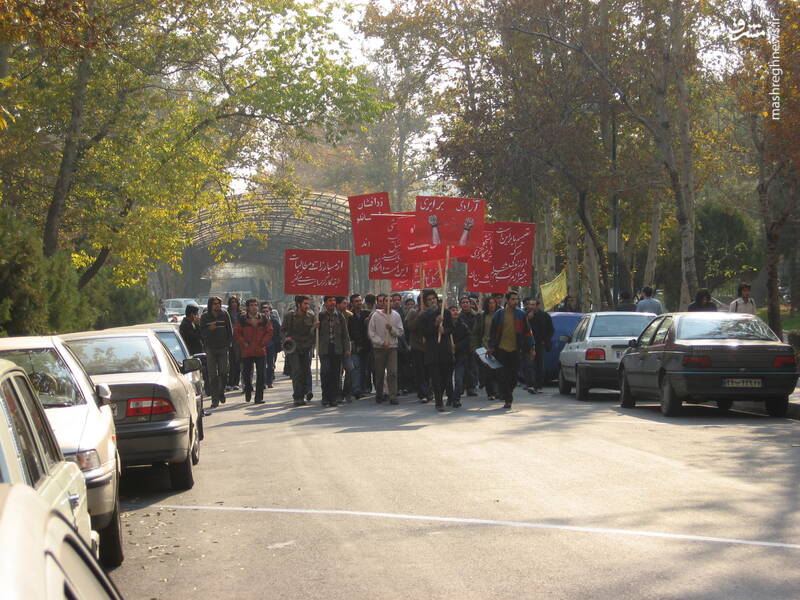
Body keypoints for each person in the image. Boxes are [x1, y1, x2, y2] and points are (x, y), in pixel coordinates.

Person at [487, 291, 534, 409]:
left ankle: (508, 392)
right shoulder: (499, 314)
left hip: (516, 349)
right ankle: (508, 399)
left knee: (513, 376)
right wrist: (491, 347)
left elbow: (528, 332)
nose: (515, 302)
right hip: (501, 349)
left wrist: (532, 347)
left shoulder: (521, 314)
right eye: (513, 299)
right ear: (507, 300)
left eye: (516, 299)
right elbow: (492, 333)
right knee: (503, 375)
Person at [421, 289, 454, 412]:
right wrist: (435, 324)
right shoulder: (424, 316)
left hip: (445, 350)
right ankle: (439, 402)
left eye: (433, 298)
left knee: (446, 376)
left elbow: (452, 328)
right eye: (429, 300)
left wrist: (444, 330)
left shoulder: (445, 312)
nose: (432, 301)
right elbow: (425, 332)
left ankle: (446, 395)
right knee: (436, 378)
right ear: (426, 303)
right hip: (432, 351)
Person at [367, 293, 404, 405]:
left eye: (390, 301)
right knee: (379, 373)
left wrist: (391, 329)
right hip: (379, 348)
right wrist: (381, 342)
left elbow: (400, 332)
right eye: (385, 301)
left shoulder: (396, 316)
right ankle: (379, 393)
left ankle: (393, 395)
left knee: (392, 372)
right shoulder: (376, 316)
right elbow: (371, 332)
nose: (388, 303)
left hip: (392, 347)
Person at [234, 298, 273, 404]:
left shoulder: (264, 318)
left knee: (261, 374)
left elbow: (269, 332)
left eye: (255, 305)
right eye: (251, 305)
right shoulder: (242, 319)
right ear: (247, 307)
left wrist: (263, 343)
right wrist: (244, 343)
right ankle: (248, 390)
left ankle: (258, 398)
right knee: (246, 374)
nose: (254, 307)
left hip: (260, 350)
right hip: (247, 351)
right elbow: (237, 333)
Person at [200, 296, 234, 408]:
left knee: (224, 372)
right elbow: (201, 333)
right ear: (210, 305)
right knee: (212, 376)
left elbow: (230, 331)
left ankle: (221, 391)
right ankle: (215, 400)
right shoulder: (205, 317)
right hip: (210, 349)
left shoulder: (224, 315)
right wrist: (209, 329)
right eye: (214, 304)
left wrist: (228, 343)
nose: (217, 306)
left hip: (223, 348)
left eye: (218, 303)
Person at [282, 295, 316, 406]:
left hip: (306, 346)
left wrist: (315, 328)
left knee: (306, 370)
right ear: (298, 304)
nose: (307, 306)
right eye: (305, 304)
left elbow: (313, 333)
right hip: (294, 347)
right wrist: (286, 338)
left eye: (308, 304)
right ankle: (298, 396)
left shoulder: (311, 316)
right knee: (296, 371)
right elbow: (282, 331)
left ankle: (308, 390)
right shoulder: (289, 316)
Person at [318, 295, 350, 407]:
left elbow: (345, 334)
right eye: (330, 301)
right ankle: (325, 397)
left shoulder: (340, 316)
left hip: (337, 349)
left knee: (336, 374)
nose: (332, 303)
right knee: (325, 372)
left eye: (334, 301)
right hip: (325, 349)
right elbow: (314, 333)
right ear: (325, 303)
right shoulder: (320, 316)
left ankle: (334, 397)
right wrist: (315, 326)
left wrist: (347, 348)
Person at [472, 295, 500, 402]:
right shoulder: (481, 317)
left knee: (498, 370)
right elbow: (475, 333)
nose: (491, 305)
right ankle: (490, 393)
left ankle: (498, 391)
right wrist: (475, 348)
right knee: (488, 371)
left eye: (493, 303)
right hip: (485, 346)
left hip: (498, 346)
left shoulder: (500, 315)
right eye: (489, 303)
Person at [405, 294, 432, 403]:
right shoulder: (413, 312)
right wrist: (419, 316)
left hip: (430, 346)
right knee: (419, 371)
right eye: (426, 300)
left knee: (429, 371)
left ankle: (430, 391)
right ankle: (423, 393)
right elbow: (410, 327)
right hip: (417, 347)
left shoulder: (432, 312)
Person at [453, 296, 478, 404]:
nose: (465, 304)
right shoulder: (459, 317)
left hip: (473, 344)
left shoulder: (476, 315)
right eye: (463, 302)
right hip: (461, 347)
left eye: (467, 302)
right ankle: (460, 387)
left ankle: (471, 387)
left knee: (472, 367)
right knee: (462, 369)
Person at [528, 299, 554, 393]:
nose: (531, 306)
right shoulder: (526, 315)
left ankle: (538, 386)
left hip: (540, 344)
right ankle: (531, 385)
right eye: (530, 304)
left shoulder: (544, 316)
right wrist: (528, 319)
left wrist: (545, 340)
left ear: (537, 306)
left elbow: (551, 330)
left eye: (533, 304)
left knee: (539, 365)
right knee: (529, 365)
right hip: (529, 344)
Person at [347, 294, 368, 399]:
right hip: (354, 346)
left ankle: (364, 388)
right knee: (355, 368)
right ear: (352, 303)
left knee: (364, 369)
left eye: (360, 301)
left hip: (366, 346)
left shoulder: (367, 314)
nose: (359, 303)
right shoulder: (349, 316)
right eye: (356, 301)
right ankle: (356, 390)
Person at [260, 302, 281, 388]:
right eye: (263, 311)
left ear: (270, 312)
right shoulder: (259, 321)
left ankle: (270, 381)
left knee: (271, 365)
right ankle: (263, 382)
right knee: (262, 365)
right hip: (262, 346)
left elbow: (278, 334)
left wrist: (278, 346)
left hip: (272, 346)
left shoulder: (274, 321)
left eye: (267, 311)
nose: (265, 313)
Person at [226, 296, 243, 390]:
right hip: (229, 340)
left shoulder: (241, 314)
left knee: (238, 361)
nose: (234, 304)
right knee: (230, 362)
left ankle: (236, 382)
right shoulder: (226, 314)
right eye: (232, 302)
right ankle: (230, 382)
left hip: (239, 340)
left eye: (235, 302)